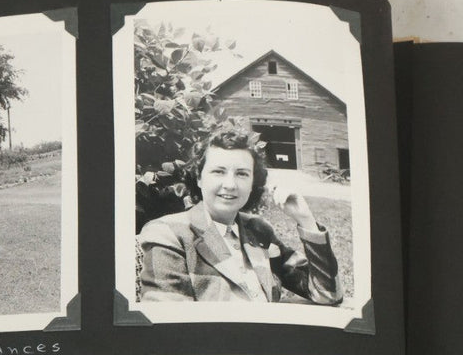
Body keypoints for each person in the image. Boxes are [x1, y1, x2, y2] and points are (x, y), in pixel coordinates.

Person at [137, 126, 343, 304]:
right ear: (199, 178)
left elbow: (327, 294)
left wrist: (305, 220)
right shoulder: (168, 233)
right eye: (218, 171)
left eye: (242, 173)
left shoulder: (259, 230)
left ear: (253, 182)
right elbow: (170, 325)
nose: (230, 184)